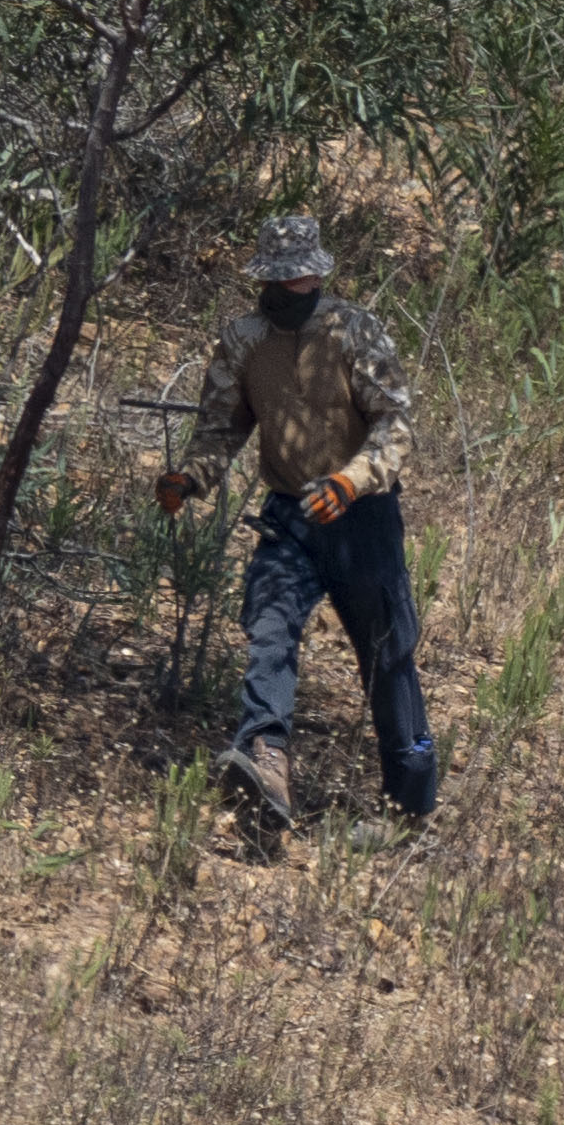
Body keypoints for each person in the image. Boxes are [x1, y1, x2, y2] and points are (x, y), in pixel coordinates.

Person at [158, 215, 437, 846]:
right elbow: (222, 427)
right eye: (288, 277)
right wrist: (190, 479)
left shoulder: (352, 330)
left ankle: (410, 808)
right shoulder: (243, 340)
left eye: (310, 275)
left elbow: (395, 424)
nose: (301, 285)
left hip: (361, 516)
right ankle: (267, 765)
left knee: (388, 653)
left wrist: (352, 480)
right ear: (267, 280)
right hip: (291, 513)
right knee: (269, 626)